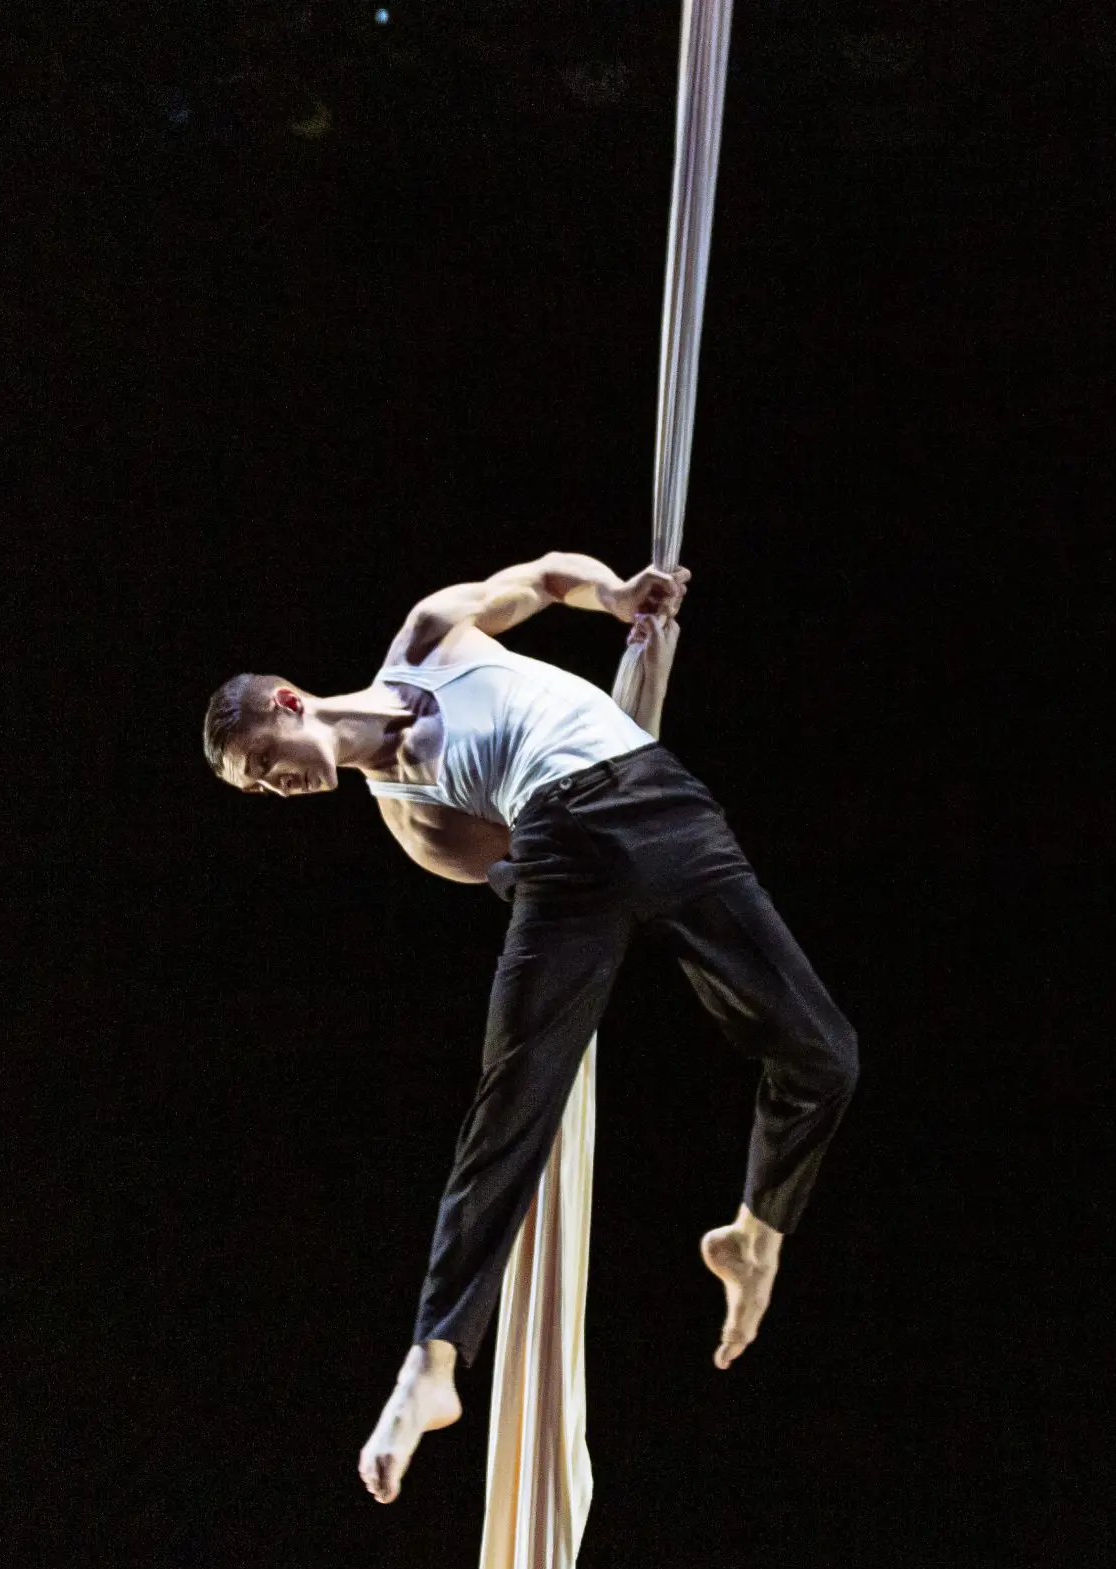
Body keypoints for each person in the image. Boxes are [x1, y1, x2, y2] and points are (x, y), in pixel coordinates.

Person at [202, 551, 859, 1504]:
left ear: (289, 702)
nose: (275, 788)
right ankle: (429, 1364)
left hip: (647, 791)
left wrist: (620, 599)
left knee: (825, 1054)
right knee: (510, 1105)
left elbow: (547, 578)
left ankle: (756, 1233)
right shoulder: (414, 823)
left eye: (264, 764)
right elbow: (518, 873)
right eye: (255, 790)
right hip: (560, 843)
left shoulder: (427, 639)